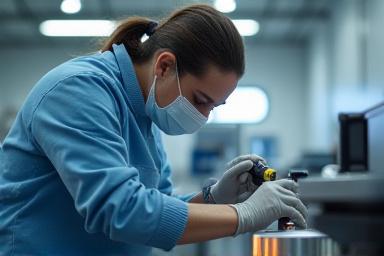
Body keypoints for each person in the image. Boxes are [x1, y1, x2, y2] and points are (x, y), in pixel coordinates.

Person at [0, 4, 307, 255]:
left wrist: (214, 198)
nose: (203, 116)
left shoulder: (146, 113)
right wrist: (244, 215)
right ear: (164, 66)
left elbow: (157, 204)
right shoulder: (78, 90)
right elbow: (123, 212)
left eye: (214, 106)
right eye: (201, 100)